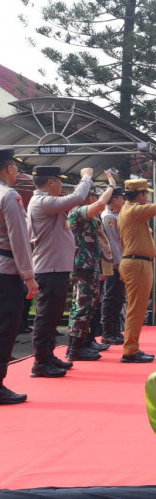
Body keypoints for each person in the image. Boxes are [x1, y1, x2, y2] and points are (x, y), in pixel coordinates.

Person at [28, 165, 93, 378]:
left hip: (56, 267)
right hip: (49, 268)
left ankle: (48, 355)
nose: (61, 185)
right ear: (51, 182)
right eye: (59, 180)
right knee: (46, 316)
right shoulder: (43, 202)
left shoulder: (47, 202)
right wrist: (86, 177)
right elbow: (78, 197)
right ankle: (40, 362)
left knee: (53, 315)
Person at [118, 177, 156, 363]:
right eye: (145, 194)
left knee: (136, 309)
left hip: (136, 263)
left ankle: (132, 347)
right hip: (137, 264)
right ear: (140, 194)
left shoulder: (129, 210)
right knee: (136, 309)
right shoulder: (133, 210)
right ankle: (130, 351)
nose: (146, 198)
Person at [0, 149, 38, 404]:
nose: (16, 170)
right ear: (7, 168)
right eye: (14, 165)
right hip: (6, 270)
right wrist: (28, 275)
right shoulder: (9, 196)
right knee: (5, 328)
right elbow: (19, 239)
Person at [66, 178, 116, 361]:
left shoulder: (87, 215)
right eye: (93, 194)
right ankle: (74, 349)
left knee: (86, 307)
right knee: (82, 307)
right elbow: (101, 204)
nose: (95, 198)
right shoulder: (77, 211)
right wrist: (111, 187)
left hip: (89, 266)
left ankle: (79, 344)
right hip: (82, 266)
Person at [100, 186, 125, 345]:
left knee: (117, 298)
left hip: (117, 264)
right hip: (113, 265)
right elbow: (113, 244)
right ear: (114, 200)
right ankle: (108, 332)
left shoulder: (113, 215)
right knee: (110, 298)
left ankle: (114, 330)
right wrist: (119, 263)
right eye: (121, 198)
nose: (123, 201)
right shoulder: (108, 217)